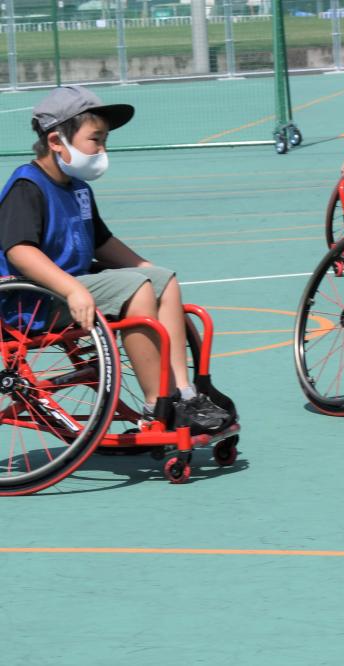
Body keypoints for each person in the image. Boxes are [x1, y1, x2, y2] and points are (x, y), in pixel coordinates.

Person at [0, 85, 231, 433]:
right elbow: (19, 250)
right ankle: (158, 406)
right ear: (55, 140)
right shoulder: (27, 186)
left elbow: (101, 242)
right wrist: (74, 291)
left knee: (162, 280)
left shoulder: (77, 189)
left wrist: (149, 270)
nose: (103, 148)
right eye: (96, 139)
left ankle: (184, 394)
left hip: (70, 287)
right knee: (137, 290)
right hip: (34, 300)